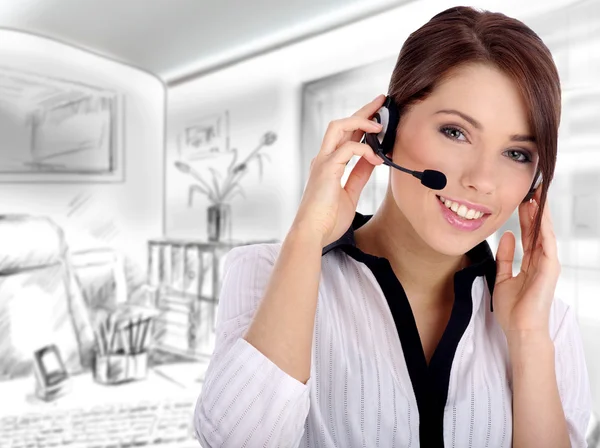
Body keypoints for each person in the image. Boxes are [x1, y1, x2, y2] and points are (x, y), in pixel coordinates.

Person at [194, 5, 592, 448]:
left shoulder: (547, 322)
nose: (482, 180)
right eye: (456, 132)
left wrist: (528, 338)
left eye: (517, 154)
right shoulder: (268, 272)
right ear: (385, 128)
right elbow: (235, 439)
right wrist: (307, 237)